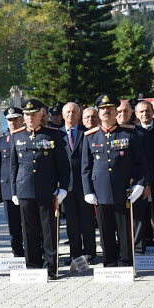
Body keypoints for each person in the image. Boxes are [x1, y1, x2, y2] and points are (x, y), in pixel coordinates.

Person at [81, 94, 146, 267]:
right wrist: (88, 191)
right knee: (105, 229)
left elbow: (140, 163)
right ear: (98, 112)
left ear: (116, 110)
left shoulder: (129, 133)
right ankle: (109, 262)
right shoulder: (90, 136)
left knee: (124, 229)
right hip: (100, 191)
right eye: (102, 109)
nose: (106, 112)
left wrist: (140, 183)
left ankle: (126, 263)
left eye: (109, 109)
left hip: (124, 189)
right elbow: (85, 167)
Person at [10, 99, 70, 280]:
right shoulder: (17, 135)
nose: (30, 118)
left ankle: (51, 267)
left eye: (33, 115)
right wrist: (14, 190)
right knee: (29, 231)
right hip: (25, 189)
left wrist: (63, 188)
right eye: (27, 115)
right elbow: (14, 166)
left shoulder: (52, 135)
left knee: (48, 231)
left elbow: (63, 165)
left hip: (47, 189)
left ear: (40, 115)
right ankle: (33, 266)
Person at [60, 102, 97, 265]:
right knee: (71, 222)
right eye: (68, 112)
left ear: (79, 115)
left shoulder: (87, 133)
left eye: (74, 112)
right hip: (66, 186)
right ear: (63, 115)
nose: (70, 115)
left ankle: (90, 252)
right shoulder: (57, 135)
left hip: (84, 185)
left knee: (87, 220)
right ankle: (75, 254)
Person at [133, 100, 154, 253]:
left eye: (148, 111)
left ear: (153, 111)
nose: (145, 114)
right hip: (141, 181)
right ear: (136, 114)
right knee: (143, 212)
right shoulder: (133, 131)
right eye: (141, 111)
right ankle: (145, 241)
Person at [0, 107, 25, 257]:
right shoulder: (1, 142)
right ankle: (17, 252)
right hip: (7, 189)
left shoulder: (26, 138)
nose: (12, 123)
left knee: (28, 223)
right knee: (13, 225)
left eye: (15, 119)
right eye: (9, 120)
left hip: (25, 187)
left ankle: (33, 250)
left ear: (22, 120)